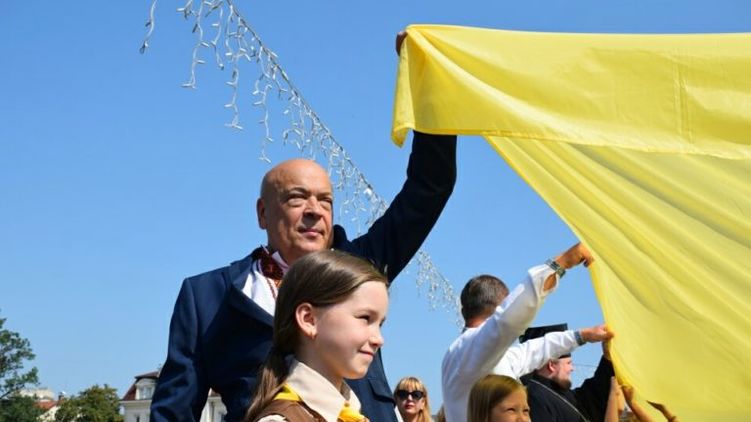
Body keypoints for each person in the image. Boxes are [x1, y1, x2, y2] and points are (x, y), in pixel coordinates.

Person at [150, 32, 457, 421]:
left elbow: (429, 187)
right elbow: (174, 412)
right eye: (297, 198)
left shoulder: (361, 265)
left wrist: (428, 83)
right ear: (263, 213)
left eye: (325, 200)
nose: (314, 211)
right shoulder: (207, 297)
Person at [441, 243, 609, 422]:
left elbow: (534, 351)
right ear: (502, 307)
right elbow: (508, 321)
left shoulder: (480, 355)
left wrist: (583, 335)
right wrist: (561, 263)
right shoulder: (468, 351)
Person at [244, 250, 387, 421]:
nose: (379, 339)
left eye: (380, 324)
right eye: (365, 318)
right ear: (309, 319)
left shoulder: (352, 414)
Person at [521, 325, 615, 422]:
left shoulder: (561, 393)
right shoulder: (534, 398)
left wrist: (607, 357)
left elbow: (593, 397)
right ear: (551, 365)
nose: (572, 368)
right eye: (568, 363)